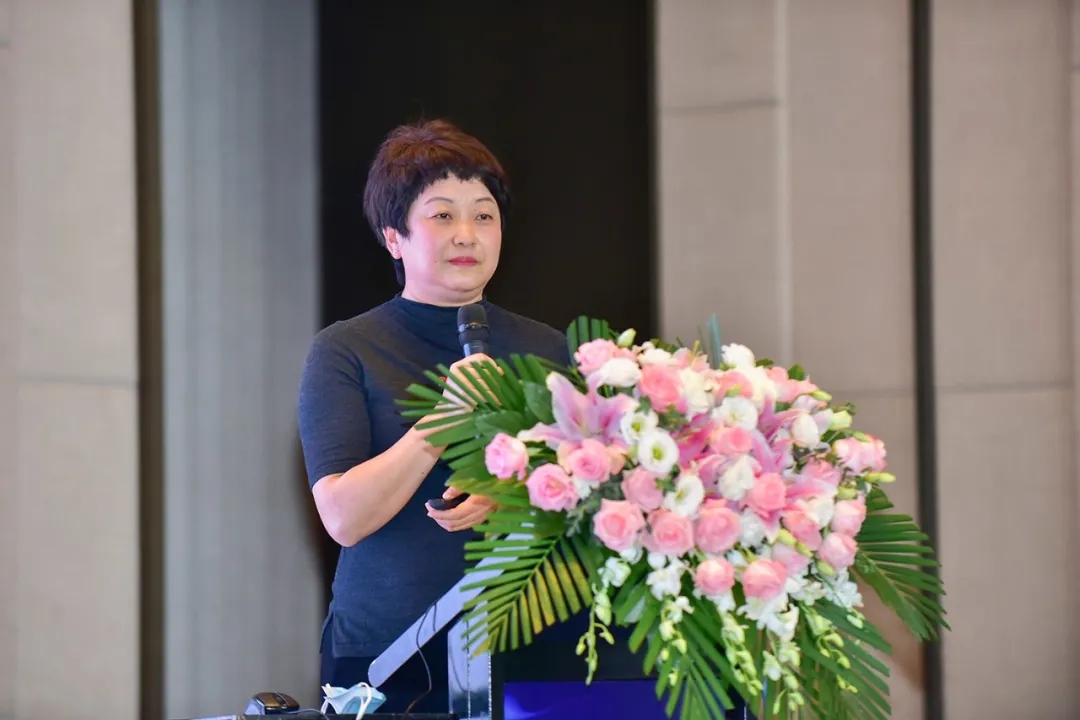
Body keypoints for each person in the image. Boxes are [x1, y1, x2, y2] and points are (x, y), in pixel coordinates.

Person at [297, 119, 570, 712]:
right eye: (442, 215)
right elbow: (343, 517)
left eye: (484, 215)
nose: (467, 233)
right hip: (386, 653)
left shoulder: (549, 349)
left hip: (530, 647)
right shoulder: (347, 349)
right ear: (394, 238)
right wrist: (442, 420)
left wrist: (514, 492)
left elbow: (590, 493)